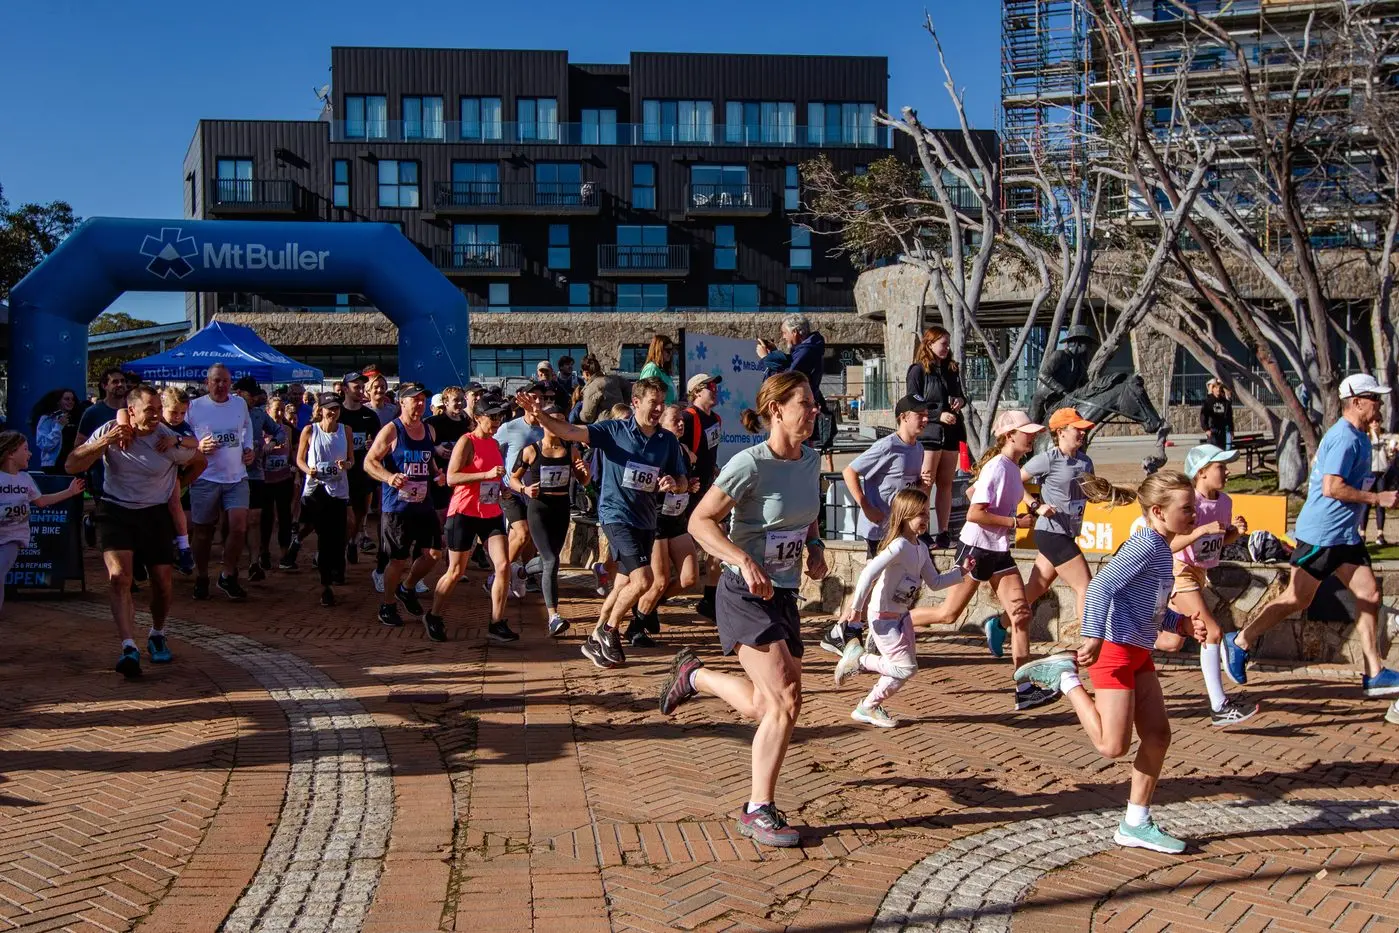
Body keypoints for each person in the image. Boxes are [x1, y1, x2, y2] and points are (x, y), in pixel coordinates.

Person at [655, 371, 826, 848]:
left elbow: (806, 516)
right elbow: (700, 520)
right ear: (777, 410)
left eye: (814, 404)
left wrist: (814, 545)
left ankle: (695, 676)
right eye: (806, 403)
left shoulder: (811, 461)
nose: (814, 411)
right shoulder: (749, 464)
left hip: (784, 593)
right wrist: (741, 557)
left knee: (764, 703)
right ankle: (757, 808)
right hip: (744, 593)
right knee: (787, 698)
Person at [1014, 470, 1206, 855]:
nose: (1195, 515)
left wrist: (1179, 622)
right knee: (1111, 747)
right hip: (1115, 650)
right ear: (1158, 511)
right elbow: (1101, 586)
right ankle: (1066, 678)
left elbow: (1149, 609)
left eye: (1194, 507)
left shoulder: (1161, 550)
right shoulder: (1145, 546)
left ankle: (1135, 823)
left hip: (1138, 652)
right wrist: (1094, 636)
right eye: (1187, 509)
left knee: (1158, 736)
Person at [1225, 373, 1399, 698]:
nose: (1380, 403)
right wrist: (1377, 499)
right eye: (1374, 398)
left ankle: (1374, 672)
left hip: (1345, 536)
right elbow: (1331, 487)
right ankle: (1240, 641)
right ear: (1357, 401)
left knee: (1370, 595)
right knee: (1297, 598)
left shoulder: (1360, 436)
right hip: (1321, 534)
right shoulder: (1345, 437)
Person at [515, 376, 687, 668]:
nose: (658, 409)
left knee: (622, 583)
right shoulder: (614, 430)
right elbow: (569, 430)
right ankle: (609, 631)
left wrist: (674, 483)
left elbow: (683, 481)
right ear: (635, 403)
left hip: (645, 519)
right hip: (616, 514)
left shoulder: (667, 441)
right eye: (652, 403)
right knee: (643, 580)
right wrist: (540, 414)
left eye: (662, 403)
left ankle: (595, 636)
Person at [983, 408, 1136, 709]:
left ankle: (999, 623)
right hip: (1050, 533)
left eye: (1083, 429)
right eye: (1076, 429)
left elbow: (1088, 493)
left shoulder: (1085, 461)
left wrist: (1106, 495)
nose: (1082, 433)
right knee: (1087, 587)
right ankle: (1090, 644)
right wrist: (1036, 504)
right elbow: (1017, 481)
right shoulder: (1048, 459)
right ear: (1060, 432)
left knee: (1036, 588)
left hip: (1068, 533)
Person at [64, 385, 205, 678]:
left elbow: (199, 459)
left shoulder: (166, 439)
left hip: (154, 514)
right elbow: (71, 464)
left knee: (163, 584)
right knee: (119, 578)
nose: (156, 415)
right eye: (149, 409)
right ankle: (128, 646)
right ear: (131, 412)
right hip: (115, 510)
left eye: (157, 408)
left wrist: (176, 488)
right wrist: (102, 443)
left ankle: (157, 632)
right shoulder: (112, 429)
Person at [911, 410, 1045, 709]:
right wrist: (1013, 523)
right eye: (1028, 432)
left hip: (999, 551)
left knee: (1022, 615)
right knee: (948, 614)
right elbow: (974, 513)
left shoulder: (1011, 466)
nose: (1033, 436)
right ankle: (888, 625)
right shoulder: (998, 467)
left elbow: (972, 492)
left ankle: (1023, 688)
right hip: (976, 548)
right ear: (1010, 436)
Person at [833, 487, 965, 727]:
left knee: (903, 670)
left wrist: (961, 573)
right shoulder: (898, 546)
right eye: (920, 515)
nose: (925, 519)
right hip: (882, 618)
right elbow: (868, 574)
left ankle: (868, 706)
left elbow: (935, 583)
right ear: (904, 515)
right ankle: (859, 660)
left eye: (926, 513)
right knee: (905, 668)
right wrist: (857, 607)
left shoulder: (921, 548)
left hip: (901, 618)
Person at [1157, 444, 1258, 726]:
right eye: (1220, 467)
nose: (1226, 472)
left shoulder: (1224, 502)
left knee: (1171, 642)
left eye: (1226, 466)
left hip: (1199, 574)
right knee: (1211, 632)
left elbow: (1215, 543)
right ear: (1201, 472)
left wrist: (1234, 534)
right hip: (1178, 571)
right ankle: (1219, 706)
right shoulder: (1190, 504)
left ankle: (1126, 636)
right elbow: (1169, 543)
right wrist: (1202, 529)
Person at [825, 395, 929, 656]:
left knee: (884, 583)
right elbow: (850, 471)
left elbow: (905, 487)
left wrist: (920, 483)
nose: (925, 419)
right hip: (878, 529)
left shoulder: (918, 448)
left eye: (927, 414)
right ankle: (844, 630)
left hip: (899, 530)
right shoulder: (887, 446)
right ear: (903, 417)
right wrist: (864, 504)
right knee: (874, 581)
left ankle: (852, 630)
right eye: (920, 414)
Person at [429, 395, 515, 644]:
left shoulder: (495, 444)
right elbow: (452, 478)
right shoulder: (467, 442)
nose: (497, 421)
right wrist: (486, 474)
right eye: (492, 416)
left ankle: (497, 622)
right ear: (477, 418)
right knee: (456, 571)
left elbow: (494, 478)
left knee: (503, 566)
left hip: (490, 512)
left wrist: (502, 488)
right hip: (464, 512)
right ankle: (434, 615)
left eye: (500, 416)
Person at [364, 382, 442, 627]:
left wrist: (437, 473)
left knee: (433, 554)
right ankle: (387, 605)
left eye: (423, 399)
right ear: (402, 402)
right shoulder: (392, 430)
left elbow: (427, 459)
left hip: (424, 503)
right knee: (398, 559)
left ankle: (406, 588)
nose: (420, 403)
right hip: (397, 506)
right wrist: (389, 477)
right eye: (415, 399)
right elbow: (369, 462)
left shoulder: (429, 430)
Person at [512, 403, 590, 637]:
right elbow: (512, 479)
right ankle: (553, 617)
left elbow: (584, 481)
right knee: (551, 560)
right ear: (543, 423)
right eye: (553, 421)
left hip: (561, 508)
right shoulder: (531, 450)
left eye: (562, 422)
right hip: (539, 509)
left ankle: (521, 573)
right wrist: (525, 490)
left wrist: (584, 469)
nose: (558, 427)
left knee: (550, 560)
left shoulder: (571, 449)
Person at [628, 403, 701, 646]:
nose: (681, 423)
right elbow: (639, 482)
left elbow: (682, 482)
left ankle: (650, 606)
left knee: (690, 578)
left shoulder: (683, 450)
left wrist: (687, 485)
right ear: (662, 423)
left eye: (682, 420)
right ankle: (635, 626)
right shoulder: (655, 449)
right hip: (656, 519)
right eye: (675, 420)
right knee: (658, 581)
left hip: (677, 520)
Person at [186, 364, 255, 601]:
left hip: (236, 476)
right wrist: (198, 446)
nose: (221, 385)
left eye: (225, 381)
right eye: (216, 381)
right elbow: (182, 435)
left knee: (239, 526)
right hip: (205, 476)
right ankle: (202, 575)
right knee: (203, 531)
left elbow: (247, 427)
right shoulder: (195, 407)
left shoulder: (239, 404)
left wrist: (249, 448)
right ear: (208, 382)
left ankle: (227, 574)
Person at [0, 431, 84, 616]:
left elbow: (41, 501)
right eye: (25, 449)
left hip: (12, 539)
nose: (30, 454)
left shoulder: (25, 479)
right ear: (10, 453)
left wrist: (69, 492)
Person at [290, 393, 355, 607]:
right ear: (320, 409)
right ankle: (325, 583)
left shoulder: (346, 430)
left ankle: (336, 567)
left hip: (338, 490)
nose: (333, 412)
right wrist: (309, 469)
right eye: (329, 408)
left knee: (337, 534)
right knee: (324, 535)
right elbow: (299, 458)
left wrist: (345, 465)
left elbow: (351, 460)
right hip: (316, 490)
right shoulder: (310, 430)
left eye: (336, 408)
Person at [906, 327, 967, 548]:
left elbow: (961, 395)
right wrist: (936, 415)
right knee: (925, 483)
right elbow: (912, 403)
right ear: (929, 344)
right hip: (929, 433)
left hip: (951, 433)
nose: (946, 348)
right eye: (943, 344)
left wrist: (961, 401)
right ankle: (920, 529)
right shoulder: (918, 371)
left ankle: (943, 531)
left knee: (946, 484)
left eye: (948, 344)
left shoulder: (952, 369)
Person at [678, 373, 726, 622]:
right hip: (687, 491)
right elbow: (672, 445)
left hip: (707, 489)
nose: (715, 390)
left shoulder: (715, 419)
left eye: (715, 386)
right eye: (710, 386)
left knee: (719, 539)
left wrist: (714, 469)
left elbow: (709, 451)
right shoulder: (687, 417)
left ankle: (710, 598)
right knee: (685, 547)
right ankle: (654, 597)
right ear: (696, 391)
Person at [494, 384, 547, 599]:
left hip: (537, 492)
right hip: (511, 490)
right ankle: (500, 574)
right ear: (522, 401)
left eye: (541, 398)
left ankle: (523, 574)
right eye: (533, 397)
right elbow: (493, 449)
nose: (537, 401)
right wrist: (497, 481)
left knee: (531, 538)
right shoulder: (510, 427)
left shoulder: (547, 427)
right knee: (523, 532)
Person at [234, 377, 287, 583]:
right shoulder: (229, 414)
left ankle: (254, 563)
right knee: (236, 522)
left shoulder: (258, 414)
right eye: (250, 393)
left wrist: (271, 442)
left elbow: (280, 431)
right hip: (232, 475)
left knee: (255, 519)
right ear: (239, 393)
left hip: (255, 474)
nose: (255, 397)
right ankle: (233, 561)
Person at [338, 372, 382, 564]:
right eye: (356, 387)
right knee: (344, 517)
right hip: (340, 473)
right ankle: (336, 551)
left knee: (360, 512)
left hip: (362, 472)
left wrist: (372, 446)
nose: (360, 391)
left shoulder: (369, 415)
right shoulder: (336, 412)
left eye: (362, 387)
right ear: (345, 389)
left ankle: (352, 542)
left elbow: (378, 444)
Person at [74, 367, 131, 499]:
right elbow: (79, 445)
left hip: (131, 480)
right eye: (115, 382)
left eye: (123, 381)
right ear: (104, 385)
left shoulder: (133, 409)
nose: (121, 385)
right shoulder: (93, 412)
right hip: (102, 479)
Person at [1029, 325, 1097, 425]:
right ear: (1078, 343)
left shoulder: (1080, 363)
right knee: (1032, 427)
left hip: (1063, 399)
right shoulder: (1059, 355)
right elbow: (1043, 374)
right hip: (1045, 397)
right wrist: (1062, 390)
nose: (1090, 347)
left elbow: (1084, 383)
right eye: (1088, 344)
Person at [261, 394, 296, 570]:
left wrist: (294, 470)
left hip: (283, 479)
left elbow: (291, 455)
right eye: (277, 410)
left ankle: (284, 555)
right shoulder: (260, 430)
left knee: (285, 517)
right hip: (265, 481)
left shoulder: (288, 430)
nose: (280, 413)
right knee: (266, 518)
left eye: (282, 409)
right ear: (268, 411)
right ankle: (264, 552)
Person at [426, 386, 471, 526]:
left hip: (461, 475)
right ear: (446, 402)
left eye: (461, 400)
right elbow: (421, 444)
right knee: (441, 511)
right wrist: (435, 448)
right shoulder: (433, 422)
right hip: (439, 474)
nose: (459, 403)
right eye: (455, 400)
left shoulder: (467, 423)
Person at [1361, 422, 1397, 546]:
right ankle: (1362, 533)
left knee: (1380, 504)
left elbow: (1389, 454)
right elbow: (1372, 447)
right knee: (1366, 503)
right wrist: (1374, 436)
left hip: (1381, 474)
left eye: (1377, 422)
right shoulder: (1366, 438)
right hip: (1369, 474)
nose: (1375, 424)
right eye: (1373, 422)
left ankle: (1380, 533)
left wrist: (1392, 450)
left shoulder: (1384, 439)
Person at [32, 388, 80, 471]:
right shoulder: (47, 419)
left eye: (72, 399)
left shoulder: (77, 419)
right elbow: (44, 445)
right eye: (66, 399)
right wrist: (59, 426)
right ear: (58, 401)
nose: (70, 402)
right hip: (54, 466)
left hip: (73, 465)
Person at [580, 354, 629, 424]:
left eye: (582, 373)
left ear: (586, 373)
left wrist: (579, 412)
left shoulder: (592, 387)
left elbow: (587, 417)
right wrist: (624, 405)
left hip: (603, 425)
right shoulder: (615, 379)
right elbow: (630, 389)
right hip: (621, 421)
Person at [637, 335, 678, 405]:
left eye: (672, 350)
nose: (670, 353)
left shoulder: (662, 371)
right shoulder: (652, 369)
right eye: (668, 350)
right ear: (658, 350)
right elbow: (648, 398)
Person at [1200, 379, 1234, 450]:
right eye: (1216, 387)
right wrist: (1206, 429)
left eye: (1219, 388)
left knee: (1223, 451)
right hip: (1213, 430)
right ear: (1212, 389)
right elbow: (1203, 416)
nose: (1218, 389)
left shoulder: (1226, 403)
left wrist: (1231, 431)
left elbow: (1229, 418)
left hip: (1223, 430)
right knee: (1213, 451)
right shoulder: (1208, 402)